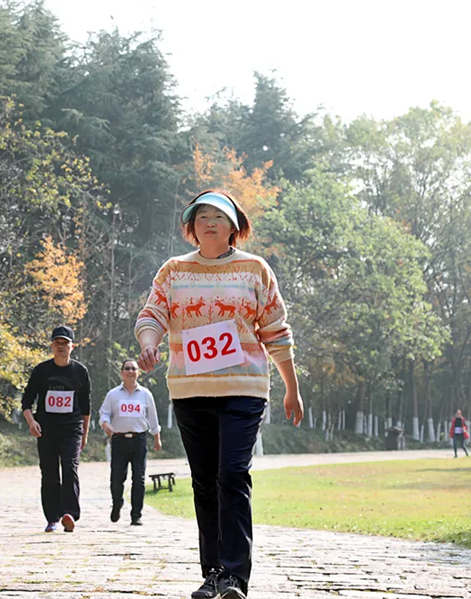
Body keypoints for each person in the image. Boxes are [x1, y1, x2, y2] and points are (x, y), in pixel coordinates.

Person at [135, 189, 303, 599]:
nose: (210, 221)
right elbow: (153, 313)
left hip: (243, 390)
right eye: (202, 215)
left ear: (234, 226)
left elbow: (276, 332)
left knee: (232, 475)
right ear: (191, 227)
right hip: (190, 392)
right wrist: (148, 342)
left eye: (219, 215)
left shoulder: (255, 270)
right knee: (205, 482)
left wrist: (291, 389)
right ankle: (212, 575)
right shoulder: (173, 271)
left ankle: (235, 576)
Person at [22, 325, 92, 533]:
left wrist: (84, 434)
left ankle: (69, 513)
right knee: (50, 473)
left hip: (72, 429)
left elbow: (86, 407)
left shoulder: (80, 371)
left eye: (65, 343)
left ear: (72, 346)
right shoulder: (41, 371)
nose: (61, 347)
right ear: (52, 346)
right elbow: (27, 400)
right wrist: (31, 421)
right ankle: (52, 517)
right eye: (57, 343)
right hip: (47, 429)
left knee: (70, 468)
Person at [99, 358, 162, 526]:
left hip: (139, 440)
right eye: (127, 368)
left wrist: (157, 438)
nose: (130, 371)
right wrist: (105, 424)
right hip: (119, 440)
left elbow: (152, 418)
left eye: (133, 368)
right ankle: (117, 503)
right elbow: (104, 413)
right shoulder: (113, 395)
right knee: (117, 478)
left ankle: (136, 515)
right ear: (122, 373)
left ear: (138, 373)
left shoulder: (145, 395)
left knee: (139, 479)